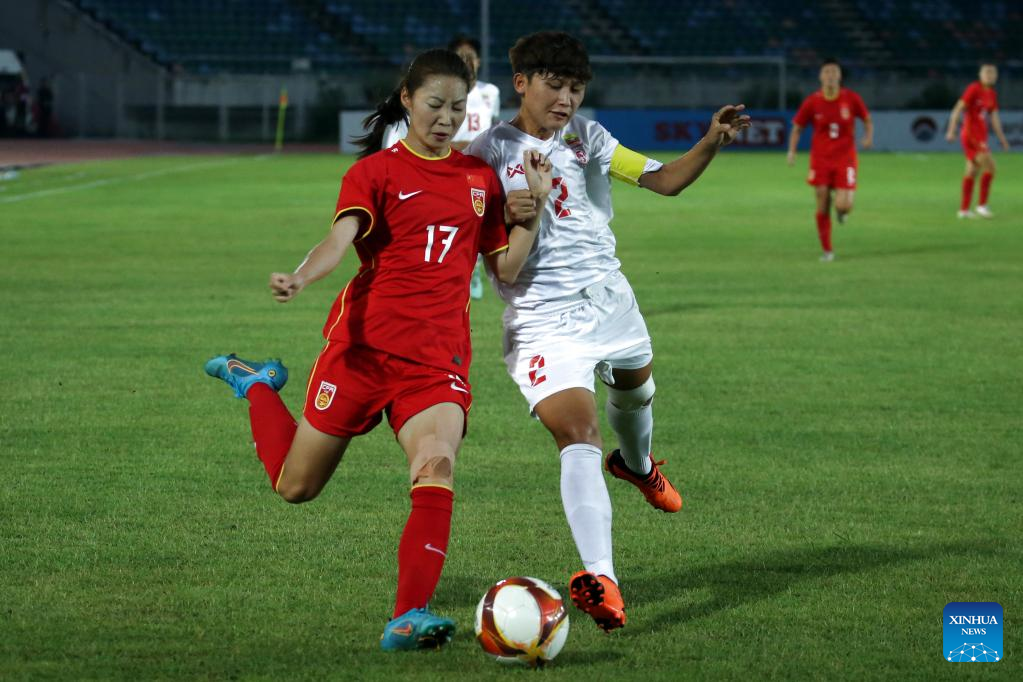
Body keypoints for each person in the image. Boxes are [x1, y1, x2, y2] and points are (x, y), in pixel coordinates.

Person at [205, 49, 551, 651]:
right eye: (436, 105)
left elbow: (507, 269)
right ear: (408, 99)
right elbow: (337, 241)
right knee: (295, 487)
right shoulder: (375, 173)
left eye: (458, 108)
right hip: (362, 352)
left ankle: (406, 616)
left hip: (436, 361)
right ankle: (256, 383)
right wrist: (301, 277)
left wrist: (532, 216)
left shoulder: (478, 180)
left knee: (436, 465)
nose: (446, 118)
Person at [466, 31, 750, 632]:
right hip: (544, 323)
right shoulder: (486, 155)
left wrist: (710, 142)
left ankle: (640, 467)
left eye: (576, 88)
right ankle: (604, 579)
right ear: (522, 83)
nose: (567, 98)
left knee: (635, 396)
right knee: (580, 435)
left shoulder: (588, 137)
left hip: (612, 304)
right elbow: (500, 266)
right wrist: (527, 209)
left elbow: (664, 180)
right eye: (555, 85)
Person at [381, 36, 501, 300]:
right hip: (444, 165)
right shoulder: (436, 97)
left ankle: (471, 270)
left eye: (472, 56)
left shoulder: (490, 93)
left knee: (477, 223)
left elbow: (491, 127)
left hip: (476, 170)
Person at [787, 58, 872, 262]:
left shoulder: (851, 98)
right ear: (820, 76)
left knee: (843, 205)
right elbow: (797, 127)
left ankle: (842, 212)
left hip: (846, 158)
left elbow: (867, 119)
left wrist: (868, 137)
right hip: (821, 159)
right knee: (822, 199)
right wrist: (792, 151)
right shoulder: (812, 101)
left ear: (840, 76)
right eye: (827, 72)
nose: (831, 75)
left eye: (834, 71)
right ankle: (827, 250)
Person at [945, 63, 1010, 219]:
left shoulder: (991, 94)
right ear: (980, 75)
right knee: (991, 168)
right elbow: (957, 109)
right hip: (971, 135)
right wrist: (951, 130)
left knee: (972, 171)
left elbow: (994, 118)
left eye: (992, 73)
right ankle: (981, 206)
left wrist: (1002, 139)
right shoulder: (974, 89)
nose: (990, 75)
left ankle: (964, 210)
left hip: (981, 136)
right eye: (986, 73)